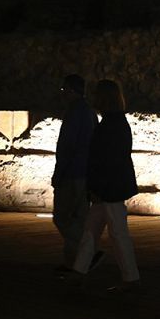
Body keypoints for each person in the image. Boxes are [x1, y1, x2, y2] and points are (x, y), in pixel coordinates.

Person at [71, 79, 141, 291]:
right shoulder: (116, 123)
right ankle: (78, 271)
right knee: (92, 231)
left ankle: (131, 278)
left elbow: (107, 160)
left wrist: (98, 188)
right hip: (108, 187)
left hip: (108, 189)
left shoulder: (111, 125)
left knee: (116, 233)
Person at [51, 73, 99, 274]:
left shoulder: (74, 113)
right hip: (85, 172)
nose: (62, 94)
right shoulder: (89, 112)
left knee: (62, 217)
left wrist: (58, 174)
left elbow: (67, 146)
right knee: (79, 218)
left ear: (71, 90)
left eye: (64, 90)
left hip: (72, 173)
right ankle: (75, 263)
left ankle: (87, 254)